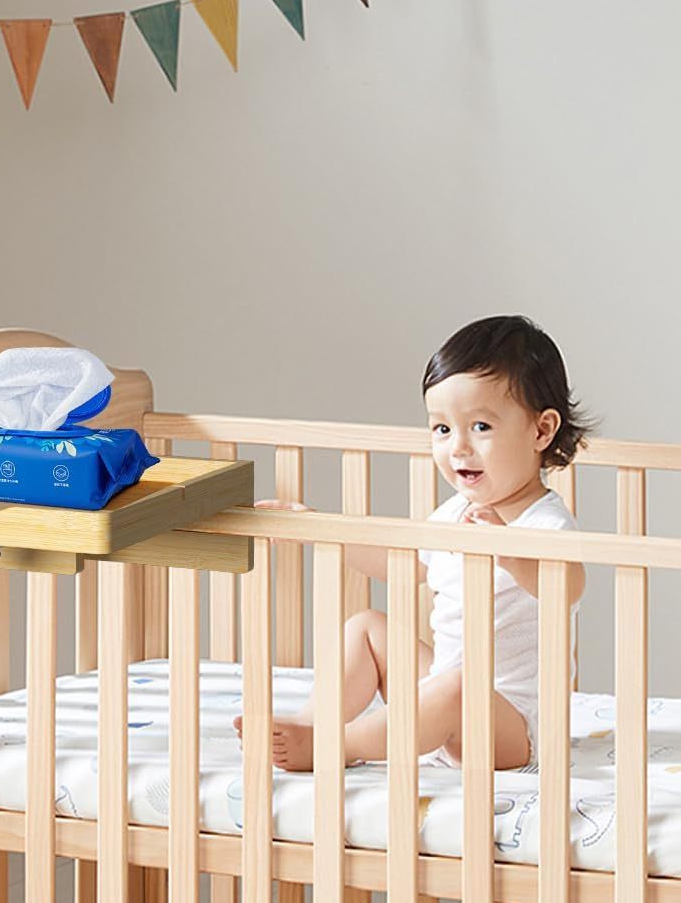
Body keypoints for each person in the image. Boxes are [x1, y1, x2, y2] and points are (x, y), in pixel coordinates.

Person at [234, 315, 591, 771]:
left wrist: (510, 552)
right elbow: (405, 563)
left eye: (480, 426)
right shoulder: (454, 513)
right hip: (440, 699)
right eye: (442, 429)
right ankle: (309, 724)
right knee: (366, 626)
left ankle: (342, 745)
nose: (458, 446)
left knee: (461, 684)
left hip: (512, 727)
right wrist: (320, 528)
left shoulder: (545, 522)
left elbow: (569, 588)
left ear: (541, 431)